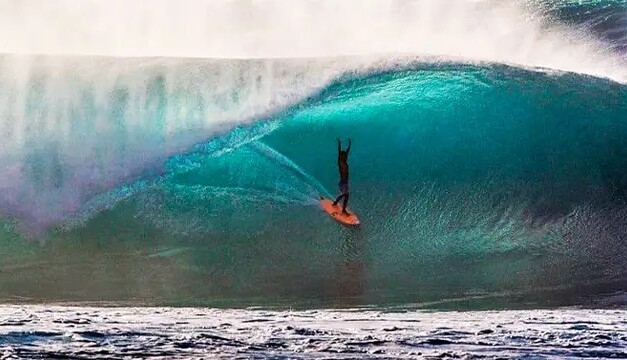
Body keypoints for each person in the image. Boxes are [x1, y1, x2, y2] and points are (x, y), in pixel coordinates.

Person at [333, 138, 351, 215]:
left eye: (345, 156)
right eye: (344, 156)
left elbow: (347, 152)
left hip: (345, 182)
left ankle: (336, 203)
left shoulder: (344, 162)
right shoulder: (340, 162)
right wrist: (339, 144)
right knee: (346, 195)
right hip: (342, 182)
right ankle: (342, 209)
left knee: (346, 195)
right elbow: (339, 152)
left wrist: (350, 144)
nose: (345, 157)